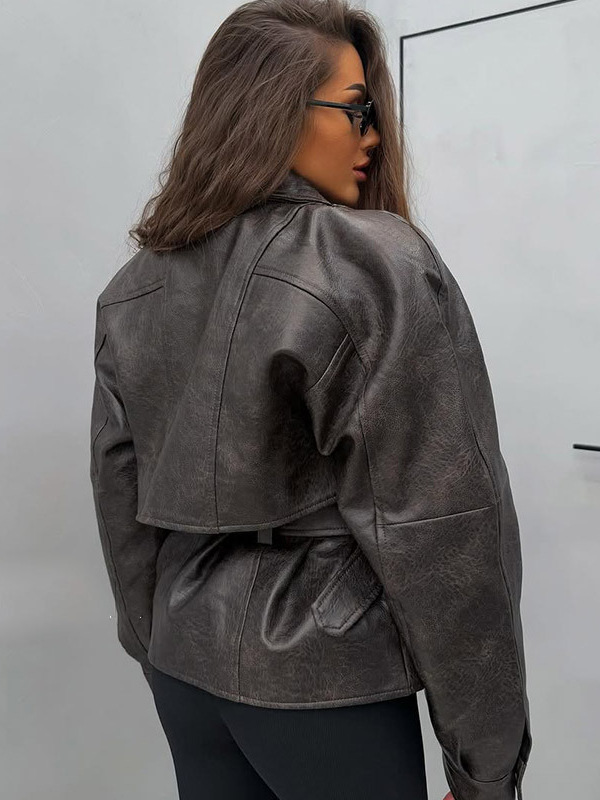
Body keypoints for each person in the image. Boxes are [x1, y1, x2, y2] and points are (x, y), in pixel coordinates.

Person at [88, 0, 532, 798]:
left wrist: (158, 647)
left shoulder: (134, 288)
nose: (373, 136)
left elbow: (120, 501)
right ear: (273, 112)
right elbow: (444, 530)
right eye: (356, 110)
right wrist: (488, 769)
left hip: (187, 670)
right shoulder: (366, 262)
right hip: (326, 683)